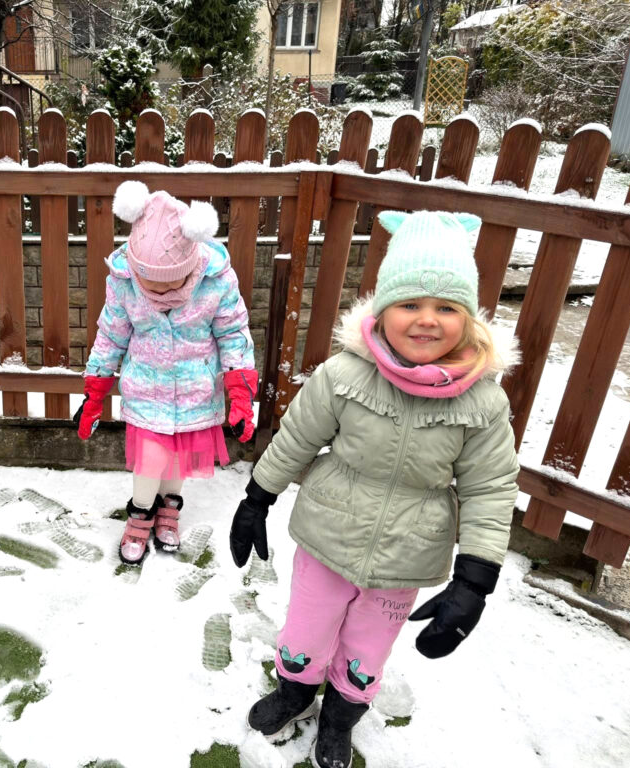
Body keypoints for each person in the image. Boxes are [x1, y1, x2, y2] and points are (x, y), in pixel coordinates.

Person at [229, 210, 520, 767]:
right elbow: (297, 438)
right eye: (410, 304)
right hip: (327, 539)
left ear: (468, 319)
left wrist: (475, 578)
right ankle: (294, 693)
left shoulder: (482, 401)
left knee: (367, 651)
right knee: (306, 633)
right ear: (383, 309)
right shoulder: (344, 375)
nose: (427, 320)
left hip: (405, 559)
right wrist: (256, 498)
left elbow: (490, 487)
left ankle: (340, 719)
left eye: (446, 308)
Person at [76, 181, 257, 564]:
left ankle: (169, 509)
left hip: (195, 392)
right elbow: (111, 335)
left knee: (178, 460)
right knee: (150, 461)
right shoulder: (125, 282)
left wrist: (240, 394)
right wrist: (95, 393)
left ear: (190, 266)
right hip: (146, 391)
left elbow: (234, 334)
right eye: (151, 283)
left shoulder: (217, 281)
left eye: (170, 283)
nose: (159, 292)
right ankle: (140, 515)